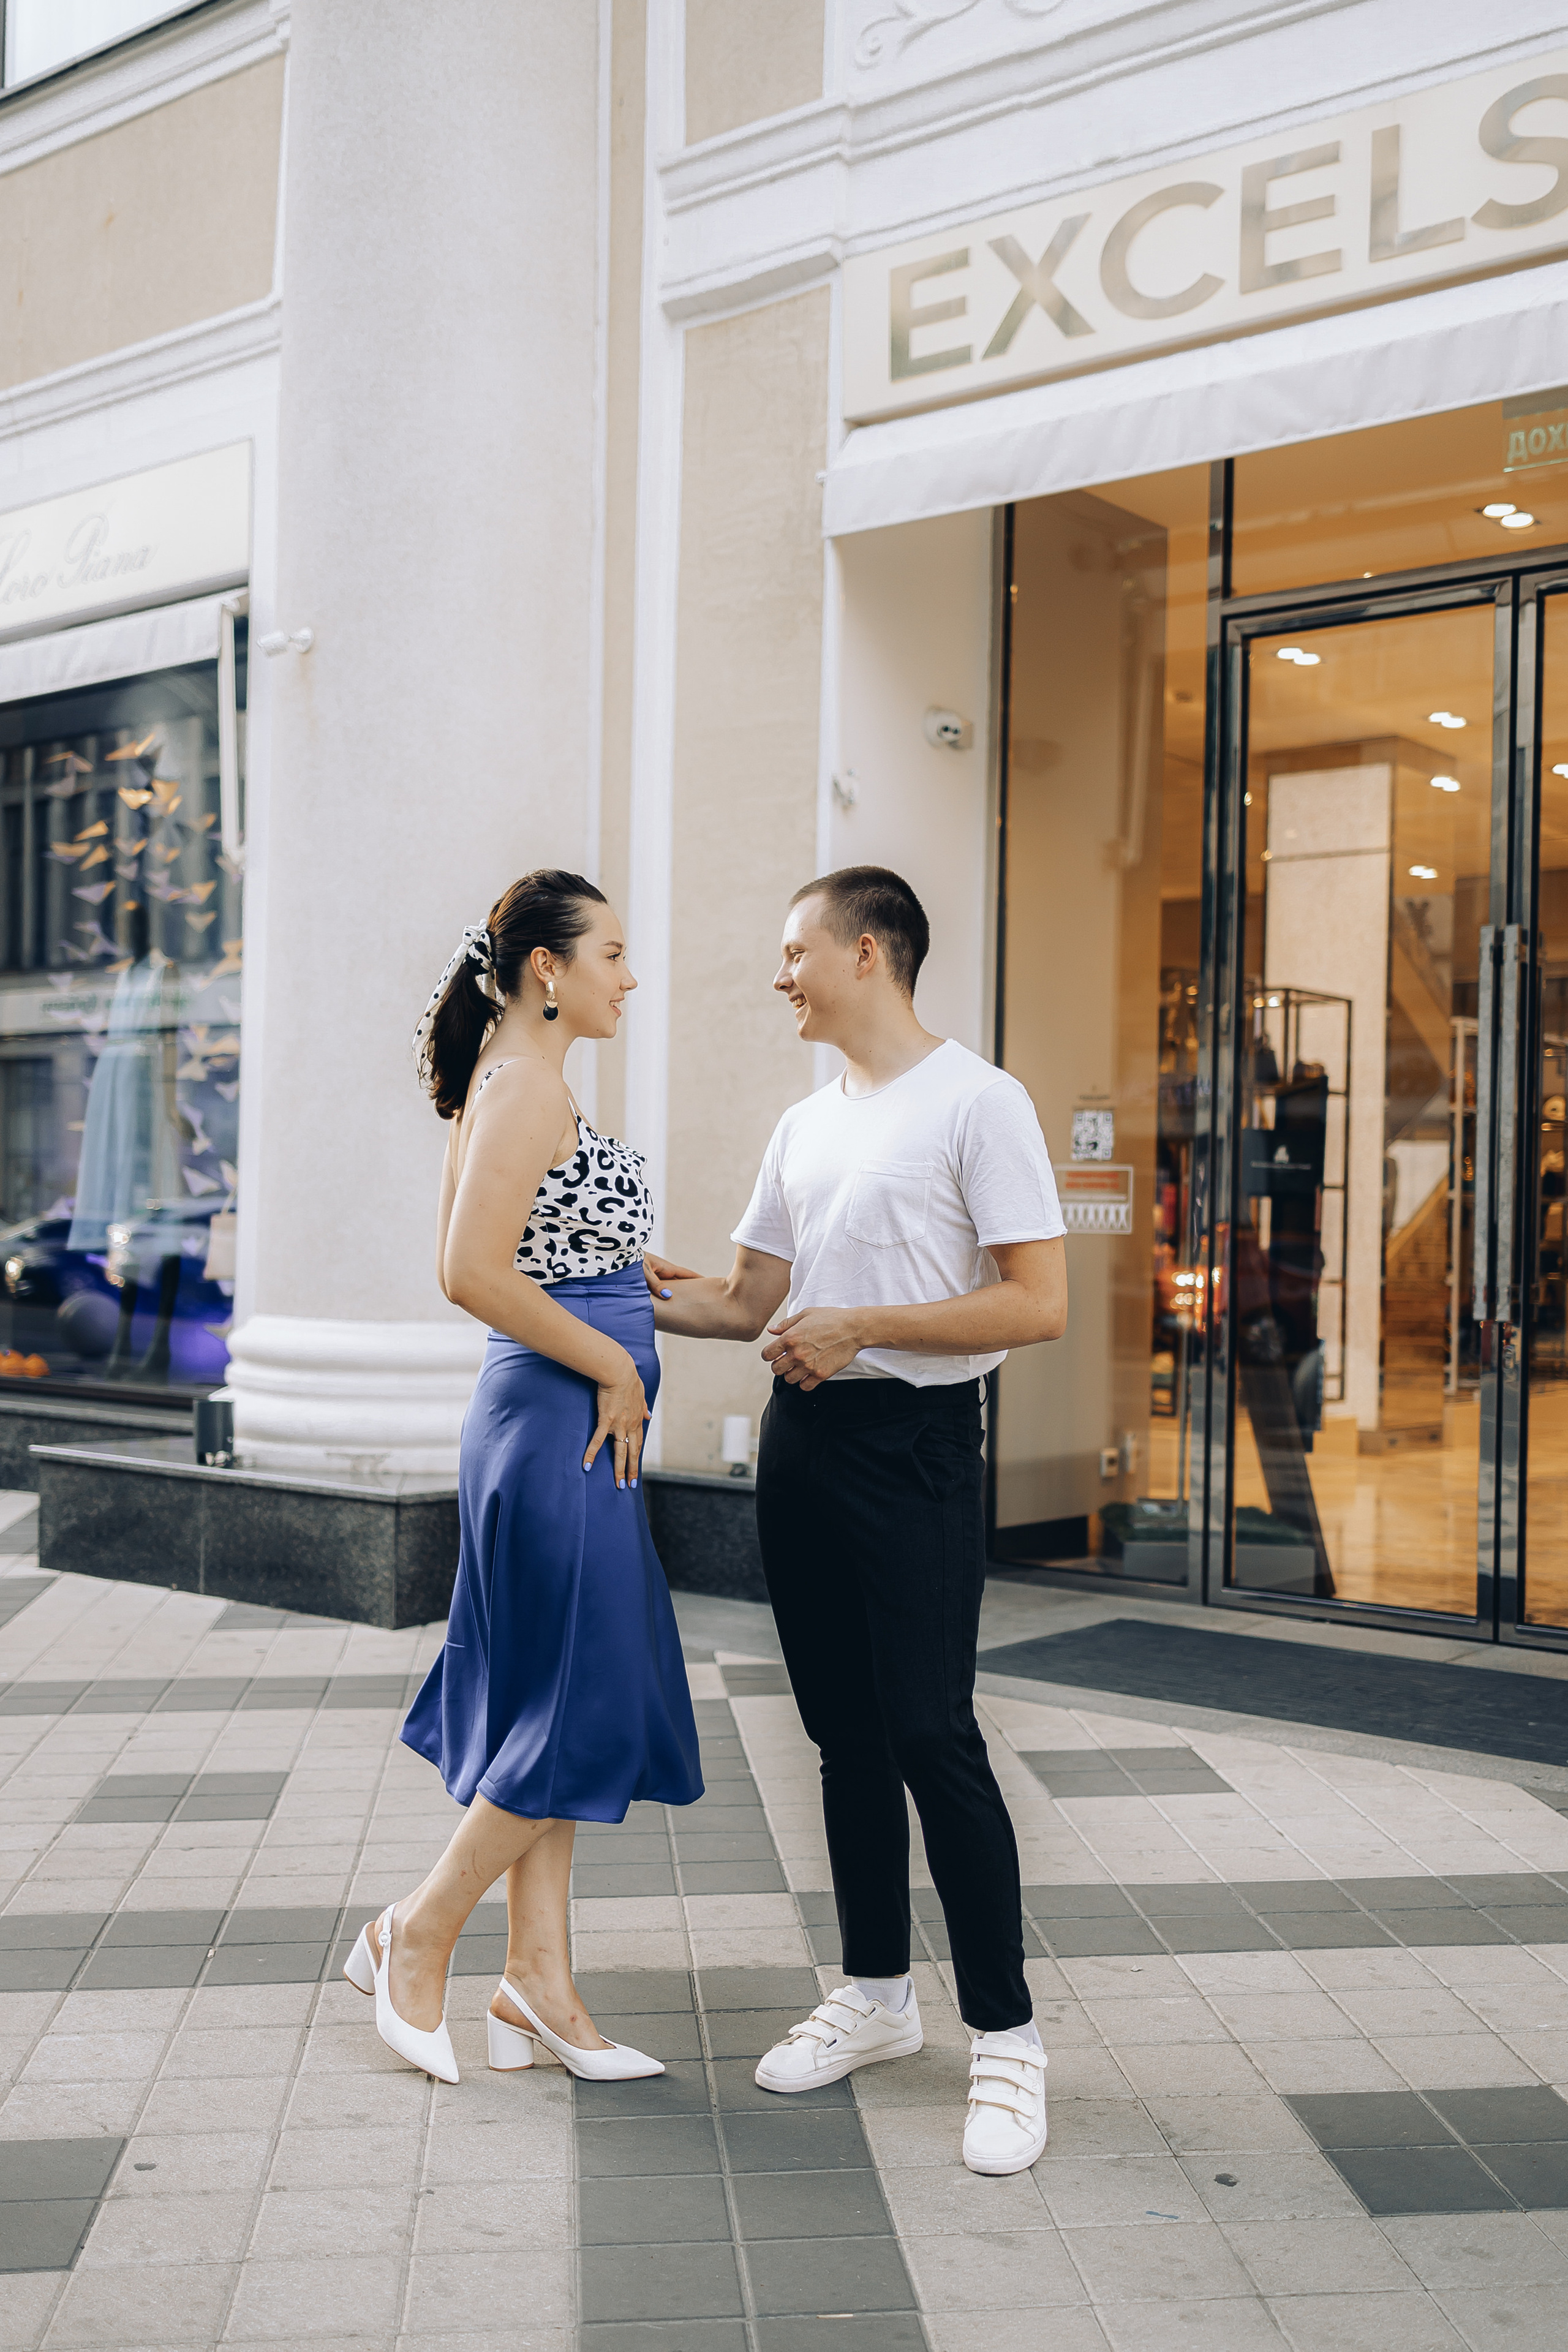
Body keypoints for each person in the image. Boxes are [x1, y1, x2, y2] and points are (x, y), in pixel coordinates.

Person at [649, 865, 1066, 2175]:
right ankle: (876, 1998)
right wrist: (610, 1287)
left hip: (916, 1442)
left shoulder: (978, 1101)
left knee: (931, 1733)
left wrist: (864, 1325)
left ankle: (1004, 2038)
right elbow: (749, 1299)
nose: (777, 974)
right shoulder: (803, 1123)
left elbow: (1034, 1303)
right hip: (805, 1440)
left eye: (793, 951)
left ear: (868, 953)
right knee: (839, 1735)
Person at [344, 870, 703, 2086]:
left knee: (553, 1692)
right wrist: (613, 1360)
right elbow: (465, 1269)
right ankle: (418, 1928)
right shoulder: (520, 1085)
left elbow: (540, 1241)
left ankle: (537, 1983)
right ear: (547, 968)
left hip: (560, 1423)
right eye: (611, 952)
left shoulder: (525, 1080)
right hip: (555, 1423)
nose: (627, 975)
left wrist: (635, 1275)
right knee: (582, 1694)